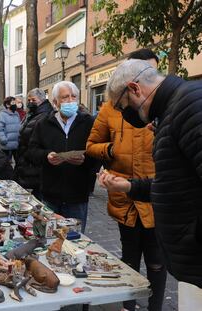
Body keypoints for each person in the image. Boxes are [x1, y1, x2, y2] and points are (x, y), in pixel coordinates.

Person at [99, 58, 202, 309]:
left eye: (124, 105)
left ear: (135, 89)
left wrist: (194, 238)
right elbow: (174, 184)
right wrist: (130, 187)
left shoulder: (189, 105)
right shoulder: (172, 111)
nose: (127, 114)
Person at [86, 49, 166, 311]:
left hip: (157, 196)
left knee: (156, 261)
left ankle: (155, 306)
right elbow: (92, 145)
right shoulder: (111, 106)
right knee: (128, 258)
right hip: (125, 196)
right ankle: (127, 306)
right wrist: (111, 150)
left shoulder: (165, 106)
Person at [28, 81, 98, 233]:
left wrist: (86, 161)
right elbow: (32, 151)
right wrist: (46, 156)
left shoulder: (88, 123)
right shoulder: (43, 124)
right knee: (48, 237)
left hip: (77, 195)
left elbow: (98, 154)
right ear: (55, 102)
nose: (71, 101)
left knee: (75, 239)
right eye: (65, 97)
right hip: (50, 194)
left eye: (74, 96)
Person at [14, 88, 53, 198]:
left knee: (38, 192)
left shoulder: (44, 115)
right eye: (29, 100)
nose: (31, 103)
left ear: (41, 99)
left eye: (33, 100)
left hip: (34, 160)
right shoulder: (32, 114)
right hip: (27, 157)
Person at [0, 96, 20, 161]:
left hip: (16, 145)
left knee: (19, 163)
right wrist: (3, 140)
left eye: (15, 102)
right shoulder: (2, 115)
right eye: (13, 102)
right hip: (6, 146)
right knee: (6, 164)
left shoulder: (16, 114)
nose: (15, 104)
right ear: (7, 105)